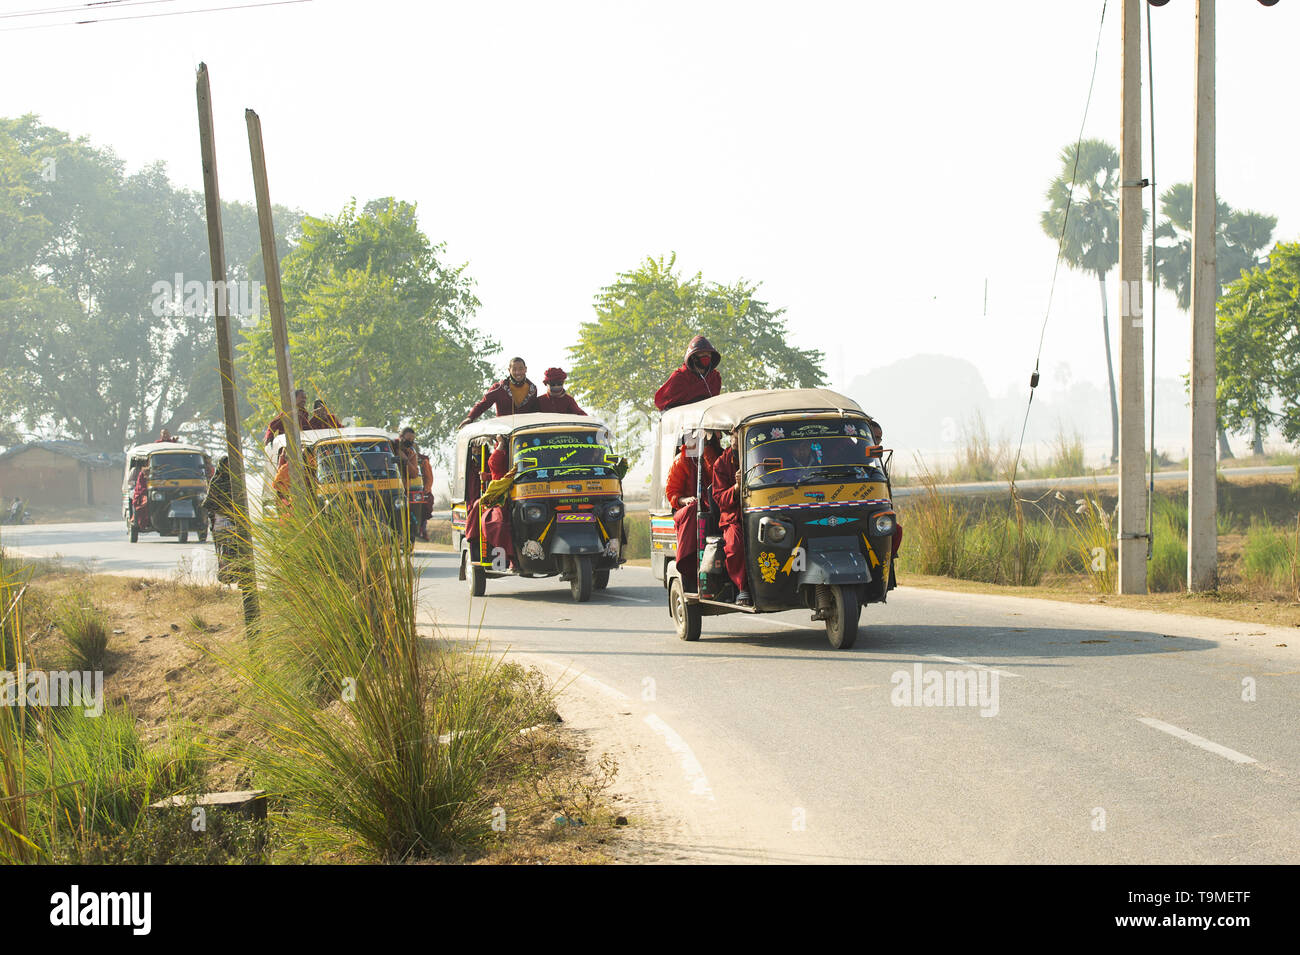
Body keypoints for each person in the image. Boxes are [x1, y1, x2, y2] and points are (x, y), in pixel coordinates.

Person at [665, 431, 721, 583]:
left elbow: (716, 476)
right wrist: (685, 500)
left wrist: (707, 453)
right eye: (691, 437)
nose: (694, 440)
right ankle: (688, 561)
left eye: (699, 437)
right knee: (694, 508)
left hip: (710, 504)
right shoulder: (681, 460)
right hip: (685, 510)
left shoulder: (711, 455)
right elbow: (672, 494)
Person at [710, 431, 750, 606]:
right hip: (734, 518)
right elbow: (719, 498)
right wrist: (736, 487)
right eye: (733, 435)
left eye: (739, 435)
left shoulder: (759, 454)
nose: (735, 440)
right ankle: (743, 589)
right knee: (735, 545)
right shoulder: (721, 463)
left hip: (761, 512)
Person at [459, 358, 538, 427]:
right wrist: (470, 417)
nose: (518, 372)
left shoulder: (532, 389)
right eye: (514, 369)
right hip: (503, 431)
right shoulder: (499, 388)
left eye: (521, 369)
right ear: (509, 370)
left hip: (524, 432)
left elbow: (535, 411)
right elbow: (484, 404)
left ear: (526, 369)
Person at [654, 335, 722, 412]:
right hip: (683, 418)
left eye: (708, 354)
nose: (706, 357)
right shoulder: (680, 377)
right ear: (693, 357)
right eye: (702, 354)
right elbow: (664, 405)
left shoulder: (715, 377)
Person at [131, 465, 152, 530]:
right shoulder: (141, 475)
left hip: (152, 493)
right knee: (142, 505)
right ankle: (139, 522)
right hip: (141, 494)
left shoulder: (154, 476)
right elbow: (140, 486)